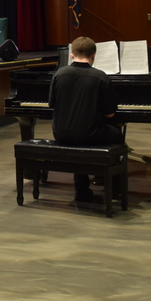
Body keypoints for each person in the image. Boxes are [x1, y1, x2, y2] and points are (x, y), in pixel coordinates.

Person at [49, 36, 123, 202]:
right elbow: (110, 114)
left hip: (61, 134)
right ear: (94, 55)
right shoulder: (100, 77)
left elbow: (52, 104)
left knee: (78, 131)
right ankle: (116, 190)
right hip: (89, 135)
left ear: (72, 55)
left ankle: (82, 190)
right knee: (116, 134)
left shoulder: (59, 74)